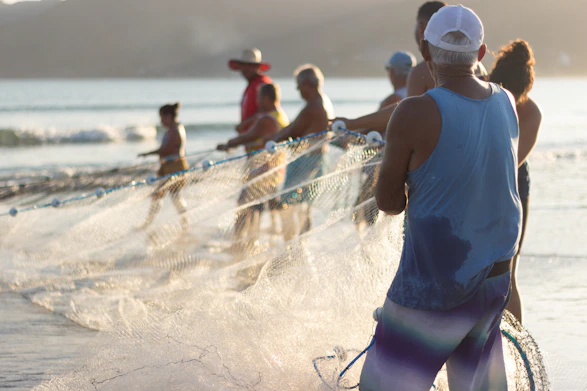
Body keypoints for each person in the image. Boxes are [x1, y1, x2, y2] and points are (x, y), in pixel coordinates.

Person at [359, 6, 522, 391]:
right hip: (495, 280)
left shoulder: (413, 111)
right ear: (481, 54)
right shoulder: (507, 101)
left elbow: (388, 202)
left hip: (434, 283)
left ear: (425, 51)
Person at [333, 1, 487, 134]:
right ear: (481, 52)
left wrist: (353, 123)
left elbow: (405, 114)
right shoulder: (479, 67)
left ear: (421, 27)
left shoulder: (421, 72)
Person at [490, 40, 542, 324]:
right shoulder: (484, 93)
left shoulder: (531, 112)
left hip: (512, 186)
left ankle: (517, 346)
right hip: (479, 180)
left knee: (508, 270)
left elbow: (512, 163)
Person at [217, 83, 290, 252]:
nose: (257, 102)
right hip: (275, 169)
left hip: (262, 171)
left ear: (265, 98)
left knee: (244, 205)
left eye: (258, 98)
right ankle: (256, 242)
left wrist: (228, 144)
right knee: (261, 207)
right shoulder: (280, 115)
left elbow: (249, 136)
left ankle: (238, 244)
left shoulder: (267, 119)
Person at [267, 64, 334, 241]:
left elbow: (292, 131)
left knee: (287, 205)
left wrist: (269, 142)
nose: (297, 89)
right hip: (317, 160)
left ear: (307, 84)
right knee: (304, 207)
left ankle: (292, 246)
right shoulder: (324, 101)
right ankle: (301, 245)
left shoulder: (313, 107)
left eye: (298, 85)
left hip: (306, 161)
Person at [138, 103, 189, 230]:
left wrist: (148, 153)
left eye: (162, 118)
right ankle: (184, 223)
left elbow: (166, 149)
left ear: (169, 116)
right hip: (168, 167)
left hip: (175, 167)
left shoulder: (176, 130)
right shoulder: (172, 130)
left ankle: (184, 223)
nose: (161, 121)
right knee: (165, 196)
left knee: (171, 196)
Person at [229, 48, 273, 138]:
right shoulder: (251, 85)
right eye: (243, 65)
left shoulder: (262, 84)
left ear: (258, 67)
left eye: (250, 65)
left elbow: (267, 111)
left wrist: (244, 125)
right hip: (251, 141)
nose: (245, 69)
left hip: (261, 141)